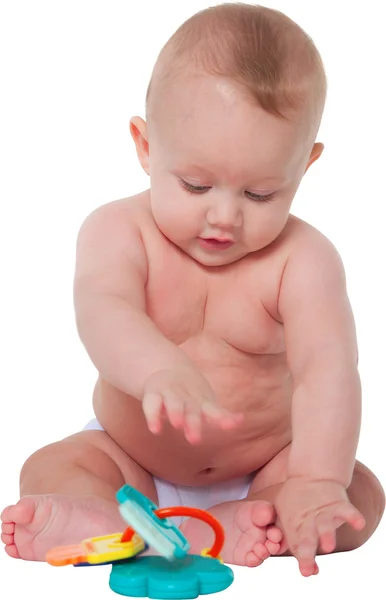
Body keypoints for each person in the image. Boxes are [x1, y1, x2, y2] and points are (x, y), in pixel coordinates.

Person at [1, 2, 384, 577]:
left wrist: (315, 479)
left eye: (260, 195)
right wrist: (157, 368)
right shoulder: (117, 230)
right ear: (146, 146)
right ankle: (109, 518)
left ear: (305, 166)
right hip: (132, 461)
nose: (224, 217)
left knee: (360, 497)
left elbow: (327, 369)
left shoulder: (304, 260)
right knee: (52, 465)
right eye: (196, 184)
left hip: (267, 467)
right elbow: (103, 309)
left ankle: (242, 518)